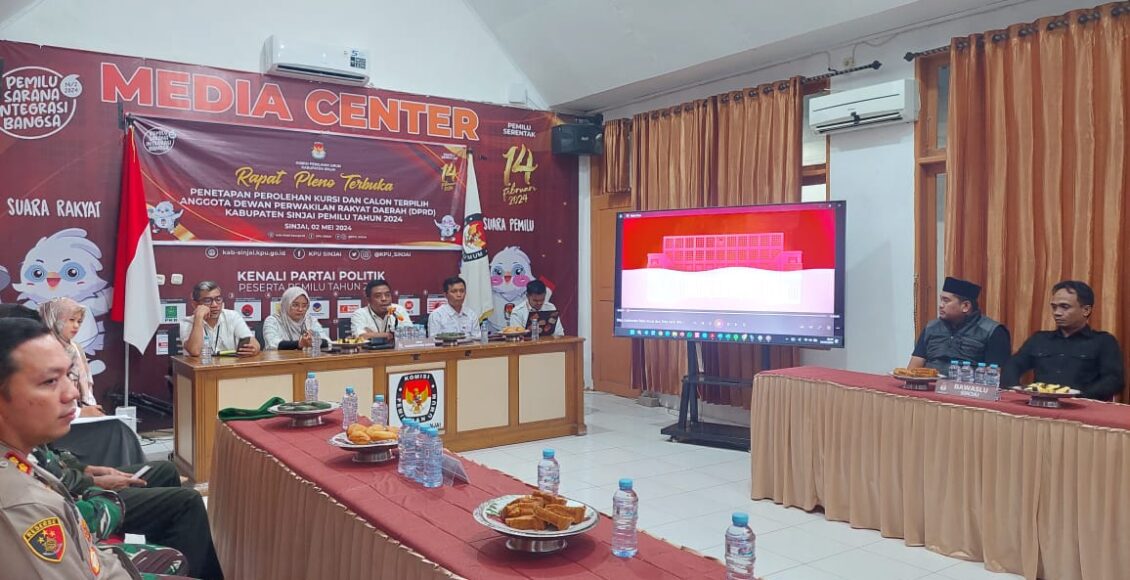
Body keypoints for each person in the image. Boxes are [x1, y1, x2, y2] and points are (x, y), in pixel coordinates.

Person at [0, 318, 194, 579]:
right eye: (50, 381)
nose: (71, 393)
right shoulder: (21, 503)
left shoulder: (20, 458)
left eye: (68, 376)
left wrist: (90, 476)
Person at [1003, 280, 1125, 400]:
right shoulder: (1039, 339)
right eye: (1054, 307)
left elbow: (1114, 380)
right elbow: (1012, 365)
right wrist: (1015, 391)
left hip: (1082, 406)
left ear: (1086, 310)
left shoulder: (1104, 342)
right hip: (1040, 405)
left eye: (1064, 307)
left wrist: (1079, 397)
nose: (1057, 313)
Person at [908, 277, 1011, 373]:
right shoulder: (931, 327)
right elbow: (913, 369)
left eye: (946, 301)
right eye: (941, 300)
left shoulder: (993, 331)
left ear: (965, 306)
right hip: (930, 384)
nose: (940, 305)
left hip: (967, 384)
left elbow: (995, 375)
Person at [38, 298, 103, 417]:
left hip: (79, 417)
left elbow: (87, 390)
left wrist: (91, 410)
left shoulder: (76, 348)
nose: (76, 326)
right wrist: (80, 413)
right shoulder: (41, 350)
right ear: (54, 320)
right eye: (71, 320)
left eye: (79, 321)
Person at [180, 281, 259, 357]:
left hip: (228, 365)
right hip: (202, 365)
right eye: (207, 300)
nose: (215, 305)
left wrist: (254, 349)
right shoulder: (187, 322)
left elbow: (255, 343)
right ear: (195, 304)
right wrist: (199, 318)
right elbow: (195, 351)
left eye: (218, 299)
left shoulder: (232, 316)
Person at [262, 286, 329, 351]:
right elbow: (272, 344)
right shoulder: (273, 320)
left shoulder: (310, 320)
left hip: (304, 358)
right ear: (286, 304)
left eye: (304, 306)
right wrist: (299, 344)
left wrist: (313, 341)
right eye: (295, 305)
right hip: (278, 358)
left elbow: (327, 342)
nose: (300, 309)